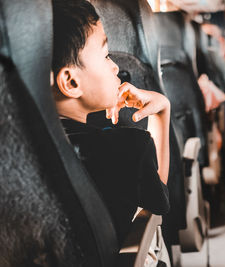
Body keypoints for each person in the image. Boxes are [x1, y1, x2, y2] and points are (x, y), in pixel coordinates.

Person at [51, 0, 170, 248]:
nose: (116, 66)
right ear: (71, 83)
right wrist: (161, 110)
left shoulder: (17, 156)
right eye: (106, 55)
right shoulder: (129, 147)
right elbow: (160, 200)